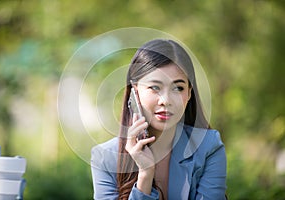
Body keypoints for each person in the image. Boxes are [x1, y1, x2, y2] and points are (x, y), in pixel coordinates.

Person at [91, 39, 227, 200]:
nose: (166, 100)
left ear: (189, 94)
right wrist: (145, 176)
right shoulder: (105, 158)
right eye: (155, 87)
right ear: (135, 92)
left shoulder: (208, 147)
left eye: (178, 88)